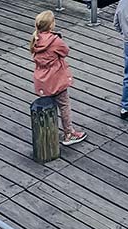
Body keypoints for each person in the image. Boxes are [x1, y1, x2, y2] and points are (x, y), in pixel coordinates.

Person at [30, 10, 87, 145]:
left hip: (43, 80)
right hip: (56, 79)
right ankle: (69, 133)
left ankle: (49, 133)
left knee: (50, 105)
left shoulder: (36, 39)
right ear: (51, 25)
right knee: (64, 105)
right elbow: (65, 51)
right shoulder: (55, 41)